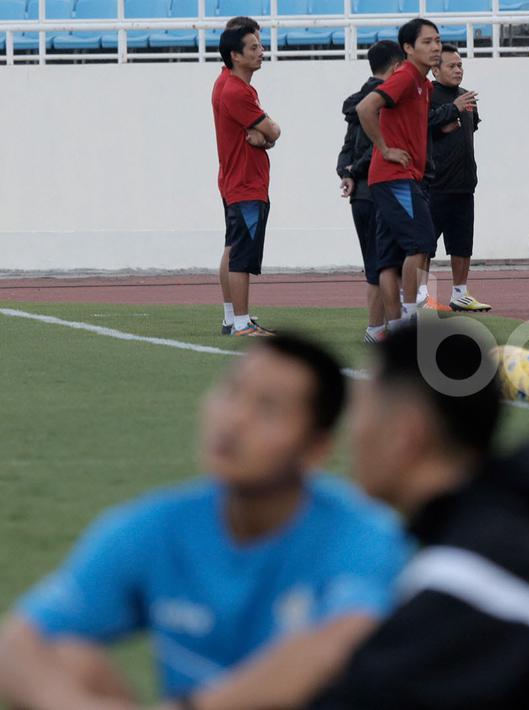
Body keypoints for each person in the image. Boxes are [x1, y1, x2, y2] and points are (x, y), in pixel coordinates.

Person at [0, 336, 408, 709]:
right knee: (69, 661)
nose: (234, 419)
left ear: (316, 448)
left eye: (267, 408)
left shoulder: (362, 535)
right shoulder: (161, 526)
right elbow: (15, 644)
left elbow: (339, 643)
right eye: (232, 392)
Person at [310, 322, 529, 709]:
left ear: (405, 432)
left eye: (361, 411)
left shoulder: (465, 581)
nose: (352, 433)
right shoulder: (498, 538)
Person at [356, 19, 441, 330]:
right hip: (394, 177)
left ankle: (382, 330)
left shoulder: (423, 83)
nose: (435, 47)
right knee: (421, 242)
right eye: (427, 42)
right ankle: (409, 316)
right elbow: (366, 107)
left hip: (398, 178)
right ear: (408, 48)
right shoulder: (405, 76)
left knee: (390, 258)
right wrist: (385, 148)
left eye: (437, 41)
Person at [212, 23, 280, 337]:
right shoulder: (237, 91)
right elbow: (274, 130)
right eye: (253, 47)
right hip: (245, 183)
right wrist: (269, 137)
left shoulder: (228, 84)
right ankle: (241, 323)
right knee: (241, 254)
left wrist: (264, 138)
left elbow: (265, 134)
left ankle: (233, 318)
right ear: (235, 55)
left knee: (232, 247)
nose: (260, 51)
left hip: (235, 180)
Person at [338, 40, 406, 344]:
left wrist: (346, 172)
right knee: (389, 264)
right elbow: (382, 148)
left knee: (373, 263)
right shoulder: (386, 101)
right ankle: (390, 328)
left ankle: (375, 327)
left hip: (360, 196)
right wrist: (354, 171)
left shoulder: (355, 103)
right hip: (381, 190)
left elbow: (349, 148)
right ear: (396, 67)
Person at [426, 44, 492, 313]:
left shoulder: (467, 97)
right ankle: (421, 295)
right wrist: (448, 116)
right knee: (424, 245)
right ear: (435, 69)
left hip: (464, 184)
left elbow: (470, 128)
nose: (458, 70)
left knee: (462, 243)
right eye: (451, 66)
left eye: (460, 65)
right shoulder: (427, 95)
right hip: (434, 184)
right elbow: (419, 128)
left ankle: (460, 293)